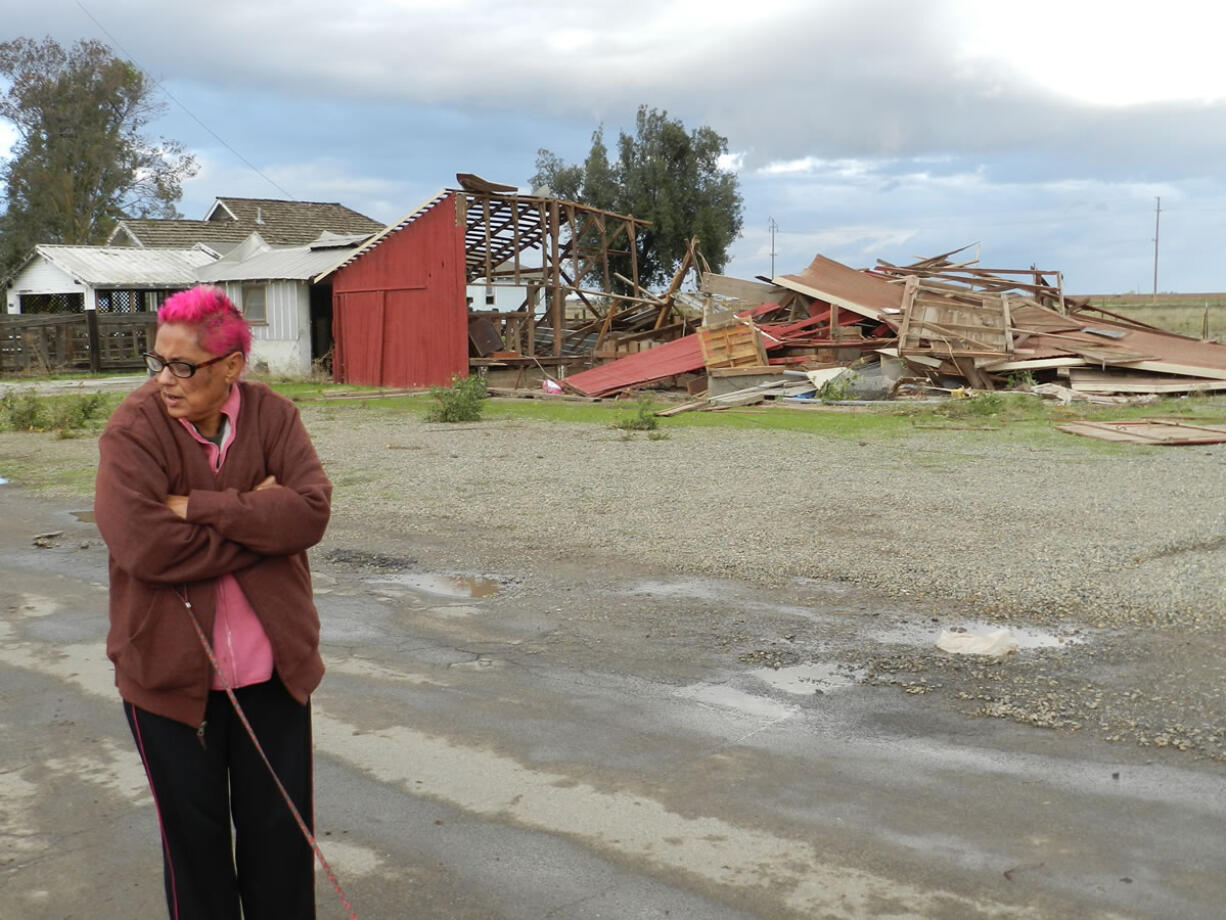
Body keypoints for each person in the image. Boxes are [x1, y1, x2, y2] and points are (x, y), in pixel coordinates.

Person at [94, 285, 332, 920]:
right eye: (157, 363)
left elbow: (309, 513)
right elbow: (146, 548)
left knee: (281, 848)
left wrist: (201, 507)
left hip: (273, 676)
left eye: (182, 366)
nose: (165, 381)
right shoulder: (132, 430)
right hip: (168, 683)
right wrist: (259, 527)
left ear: (231, 366)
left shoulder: (274, 417)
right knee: (195, 856)